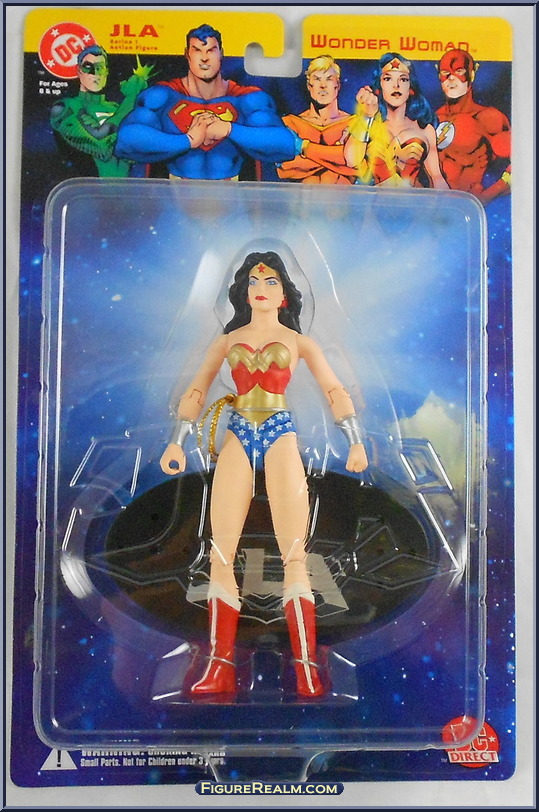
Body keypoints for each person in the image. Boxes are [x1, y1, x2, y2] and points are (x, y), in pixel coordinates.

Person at [160, 251, 368, 697]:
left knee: (295, 555)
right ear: (242, 290)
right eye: (254, 281)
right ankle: (219, 666)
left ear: (285, 293)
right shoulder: (228, 339)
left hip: (279, 432)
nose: (261, 288)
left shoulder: (298, 341)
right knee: (221, 552)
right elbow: (196, 389)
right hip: (238, 433)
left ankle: (307, 668)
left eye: (271, 281)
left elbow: (335, 389)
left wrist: (355, 440)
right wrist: (176, 441)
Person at [115, 24, 299, 179]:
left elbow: (286, 145)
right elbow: (125, 141)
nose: (204, 58)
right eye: (197, 50)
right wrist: (188, 140)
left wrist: (228, 129)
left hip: (232, 199)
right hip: (174, 198)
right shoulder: (163, 97)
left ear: (221, 54)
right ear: (187, 54)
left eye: (211, 50)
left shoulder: (246, 100)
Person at [50, 45, 152, 178]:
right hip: (87, 188)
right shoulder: (65, 107)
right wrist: (132, 97)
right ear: (79, 71)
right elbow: (100, 147)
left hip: (126, 187)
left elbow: (141, 148)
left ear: (106, 72)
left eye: (100, 67)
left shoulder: (116, 108)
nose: (95, 73)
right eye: (88, 67)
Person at [356, 53, 449, 189]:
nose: (396, 86)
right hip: (376, 200)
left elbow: (436, 177)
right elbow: (351, 161)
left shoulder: (424, 129)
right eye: (388, 79)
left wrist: (448, 200)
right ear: (379, 86)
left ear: (411, 88)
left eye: (403, 79)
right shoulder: (368, 125)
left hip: (414, 200)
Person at [277, 55, 374, 184]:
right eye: (317, 79)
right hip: (303, 195)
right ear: (309, 85)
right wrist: (339, 157)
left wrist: (304, 147)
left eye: (329, 79)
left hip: (343, 194)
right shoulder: (291, 122)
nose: (323, 86)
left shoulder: (355, 123)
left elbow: (355, 162)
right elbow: (286, 166)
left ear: (337, 85)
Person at [435, 48, 511, 204]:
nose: (451, 78)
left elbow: (523, 163)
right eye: (445, 72)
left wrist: (488, 195)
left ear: (472, 73)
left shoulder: (487, 118)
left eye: (459, 71)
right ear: (438, 75)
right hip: (435, 207)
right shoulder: (435, 118)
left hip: (470, 206)